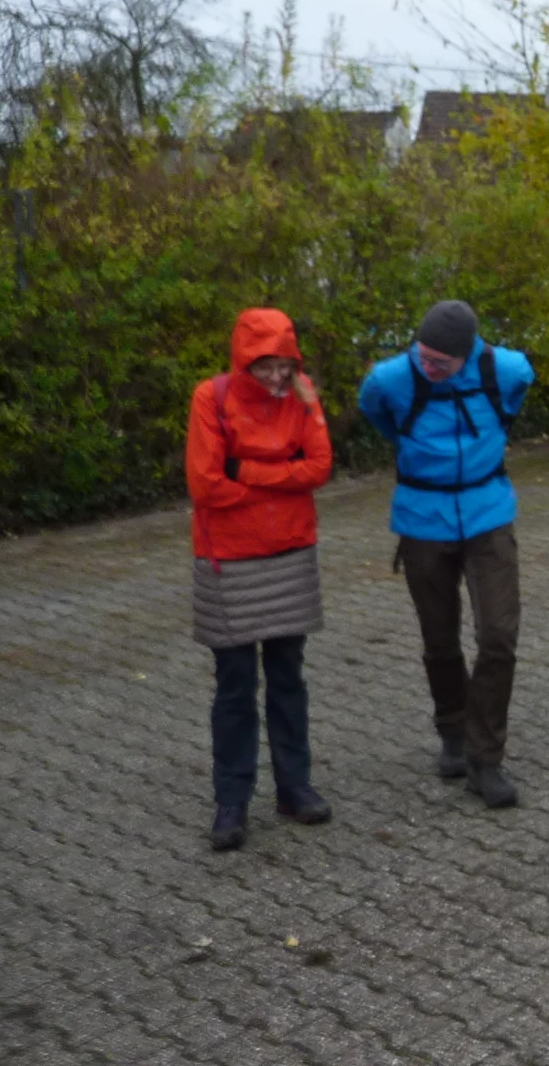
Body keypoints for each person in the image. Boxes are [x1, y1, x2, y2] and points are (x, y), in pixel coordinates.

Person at [358, 300, 535, 809]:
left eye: (440, 362)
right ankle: (453, 732)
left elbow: (518, 392)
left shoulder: (504, 369)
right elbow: (378, 416)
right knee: (439, 638)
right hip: (422, 518)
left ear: (468, 353)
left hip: (487, 513)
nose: (428, 367)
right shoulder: (391, 379)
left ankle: (486, 759)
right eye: (423, 355)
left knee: (498, 635)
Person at [185, 307, 335, 852]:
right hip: (230, 558)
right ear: (244, 361)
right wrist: (282, 478)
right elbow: (205, 485)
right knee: (235, 685)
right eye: (265, 366)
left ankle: (294, 786)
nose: (276, 377)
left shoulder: (304, 392)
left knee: (288, 676)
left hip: (289, 553)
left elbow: (319, 467)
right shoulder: (212, 398)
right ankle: (232, 798)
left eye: (284, 365)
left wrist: (246, 471)